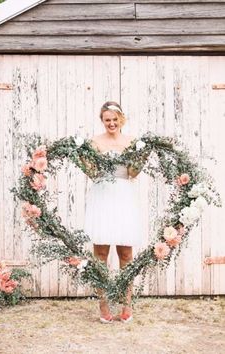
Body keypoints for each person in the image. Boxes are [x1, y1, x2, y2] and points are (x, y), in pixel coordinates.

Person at [84, 101, 145, 324]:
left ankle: (127, 305)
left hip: (124, 196)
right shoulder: (94, 142)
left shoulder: (132, 142)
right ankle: (104, 305)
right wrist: (82, 160)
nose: (111, 123)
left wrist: (141, 160)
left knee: (125, 253)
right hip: (102, 196)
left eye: (114, 119)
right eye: (107, 119)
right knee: (100, 253)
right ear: (102, 120)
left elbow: (132, 173)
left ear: (121, 119)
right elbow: (91, 172)